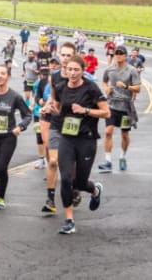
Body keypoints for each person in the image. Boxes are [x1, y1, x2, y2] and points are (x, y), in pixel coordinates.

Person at [45, 56, 109, 234]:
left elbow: (106, 112)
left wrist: (86, 110)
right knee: (65, 179)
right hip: (67, 137)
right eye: (69, 70)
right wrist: (51, 110)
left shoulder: (91, 88)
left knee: (79, 183)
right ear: (65, 71)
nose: (72, 73)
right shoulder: (60, 88)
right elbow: (59, 111)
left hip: (86, 139)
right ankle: (69, 220)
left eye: (76, 70)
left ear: (82, 70)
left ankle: (95, 190)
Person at [0, 63, 32, 209]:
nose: (0, 76)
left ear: (8, 77)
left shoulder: (14, 96)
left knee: (2, 168)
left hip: (8, 137)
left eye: (3, 73)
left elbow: (28, 115)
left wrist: (20, 127)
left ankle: (0, 198)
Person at [99, 45, 140, 173]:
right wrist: (106, 88)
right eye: (116, 53)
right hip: (112, 105)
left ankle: (122, 157)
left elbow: (138, 88)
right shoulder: (109, 69)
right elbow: (104, 81)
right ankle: (108, 161)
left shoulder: (132, 70)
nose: (118, 55)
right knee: (108, 132)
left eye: (121, 53)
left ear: (125, 56)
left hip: (126, 106)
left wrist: (126, 87)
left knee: (124, 134)